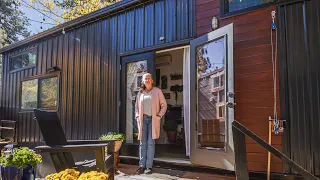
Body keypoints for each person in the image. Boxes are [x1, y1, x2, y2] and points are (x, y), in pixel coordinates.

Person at [135, 73, 167, 174]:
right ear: (143, 81)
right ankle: (141, 165)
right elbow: (136, 107)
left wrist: (159, 116)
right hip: (143, 120)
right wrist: (137, 116)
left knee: (150, 143)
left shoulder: (157, 91)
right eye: (145, 78)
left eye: (149, 78)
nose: (147, 80)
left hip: (153, 120)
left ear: (152, 80)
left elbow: (164, 105)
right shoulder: (140, 93)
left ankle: (148, 166)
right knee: (142, 143)